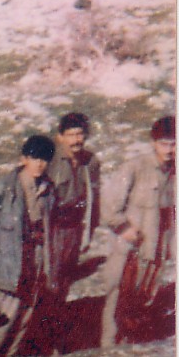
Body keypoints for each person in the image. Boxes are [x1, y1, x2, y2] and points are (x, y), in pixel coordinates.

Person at [0, 135, 60, 357]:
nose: (39, 164)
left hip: (36, 261)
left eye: (44, 159)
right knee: (1, 316)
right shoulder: (3, 187)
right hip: (6, 261)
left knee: (25, 314)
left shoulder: (49, 189)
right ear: (24, 159)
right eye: (34, 158)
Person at [99, 116, 175, 347]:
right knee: (117, 299)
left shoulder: (176, 173)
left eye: (174, 144)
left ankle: (129, 348)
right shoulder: (135, 167)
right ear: (153, 143)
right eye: (164, 144)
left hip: (155, 251)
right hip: (129, 250)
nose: (169, 150)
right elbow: (108, 205)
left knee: (143, 301)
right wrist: (124, 227)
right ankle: (108, 349)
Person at [49, 112, 101, 286]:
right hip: (54, 229)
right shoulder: (51, 161)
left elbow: (94, 198)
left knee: (67, 277)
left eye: (80, 134)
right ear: (60, 137)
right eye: (71, 135)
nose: (76, 140)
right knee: (50, 277)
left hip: (76, 228)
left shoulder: (90, 162)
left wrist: (90, 229)